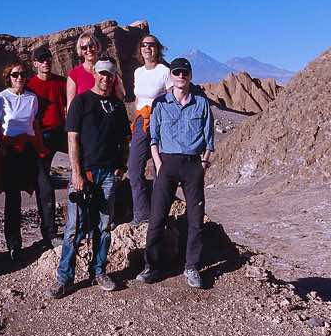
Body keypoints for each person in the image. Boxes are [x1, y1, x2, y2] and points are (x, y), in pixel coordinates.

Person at [47, 58, 131, 299]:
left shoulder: (116, 106)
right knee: (74, 228)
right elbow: (72, 139)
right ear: (95, 73)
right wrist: (76, 172)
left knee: (104, 226)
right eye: (102, 74)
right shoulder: (81, 102)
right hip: (85, 173)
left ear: (114, 77)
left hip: (108, 174)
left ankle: (99, 271)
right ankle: (64, 278)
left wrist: (121, 166)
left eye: (110, 75)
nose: (106, 78)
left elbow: (125, 139)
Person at [136, 58, 215, 288]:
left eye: (185, 72)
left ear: (190, 75)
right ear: (170, 75)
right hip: (167, 163)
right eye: (176, 72)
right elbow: (154, 138)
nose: (181, 76)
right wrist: (159, 164)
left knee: (195, 219)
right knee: (157, 217)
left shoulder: (201, 103)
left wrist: (203, 164)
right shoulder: (160, 103)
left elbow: (209, 140)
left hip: (193, 165)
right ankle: (152, 266)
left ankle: (191, 267)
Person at [0, 60, 46, 261]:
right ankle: (14, 244)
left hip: (30, 148)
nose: (19, 78)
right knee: (13, 197)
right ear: (9, 77)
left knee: (43, 189)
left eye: (23, 74)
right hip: (10, 150)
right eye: (15, 75)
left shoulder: (32, 98)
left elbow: (34, 123)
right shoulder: (1, 97)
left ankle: (48, 235)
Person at [127, 35, 171, 226]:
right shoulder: (138, 72)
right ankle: (141, 214)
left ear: (157, 48)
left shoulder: (165, 71)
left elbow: (172, 99)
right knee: (134, 168)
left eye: (151, 45)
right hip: (140, 123)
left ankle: (158, 212)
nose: (147, 48)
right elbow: (138, 99)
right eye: (144, 45)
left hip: (160, 122)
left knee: (159, 169)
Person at [26, 44, 65, 249]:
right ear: (35, 64)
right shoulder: (30, 85)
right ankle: (49, 233)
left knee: (86, 165)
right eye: (41, 59)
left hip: (62, 132)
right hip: (42, 136)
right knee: (44, 185)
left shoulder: (61, 82)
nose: (46, 62)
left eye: (48, 58)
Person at [66, 31, 125, 110]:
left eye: (91, 45)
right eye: (84, 48)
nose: (88, 49)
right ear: (80, 50)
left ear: (97, 46)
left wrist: (116, 78)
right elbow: (71, 105)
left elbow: (120, 97)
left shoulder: (109, 69)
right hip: (86, 119)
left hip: (108, 116)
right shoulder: (74, 74)